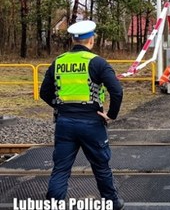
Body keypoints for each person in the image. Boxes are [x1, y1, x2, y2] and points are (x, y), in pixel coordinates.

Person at [39, 20, 124, 210]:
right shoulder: (97, 62)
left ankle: (53, 204)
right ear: (91, 40)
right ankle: (112, 203)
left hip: (64, 123)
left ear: (73, 39)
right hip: (92, 122)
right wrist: (110, 115)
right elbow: (117, 91)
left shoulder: (58, 62)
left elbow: (44, 92)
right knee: (101, 166)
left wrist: (60, 106)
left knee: (61, 169)